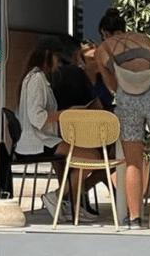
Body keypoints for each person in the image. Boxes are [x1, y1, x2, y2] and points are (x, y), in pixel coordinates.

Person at [95, 8, 150, 231]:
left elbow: (112, 86)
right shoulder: (142, 38)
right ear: (124, 27)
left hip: (128, 100)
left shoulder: (103, 49)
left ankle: (135, 218)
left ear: (104, 32)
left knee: (133, 161)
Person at [16, 37, 99, 222]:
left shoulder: (35, 78)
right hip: (39, 142)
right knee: (91, 157)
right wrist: (66, 113)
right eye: (56, 58)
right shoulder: (36, 79)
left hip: (42, 139)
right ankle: (58, 196)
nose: (59, 63)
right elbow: (37, 117)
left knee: (80, 160)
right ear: (48, 56)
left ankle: (69, 204)